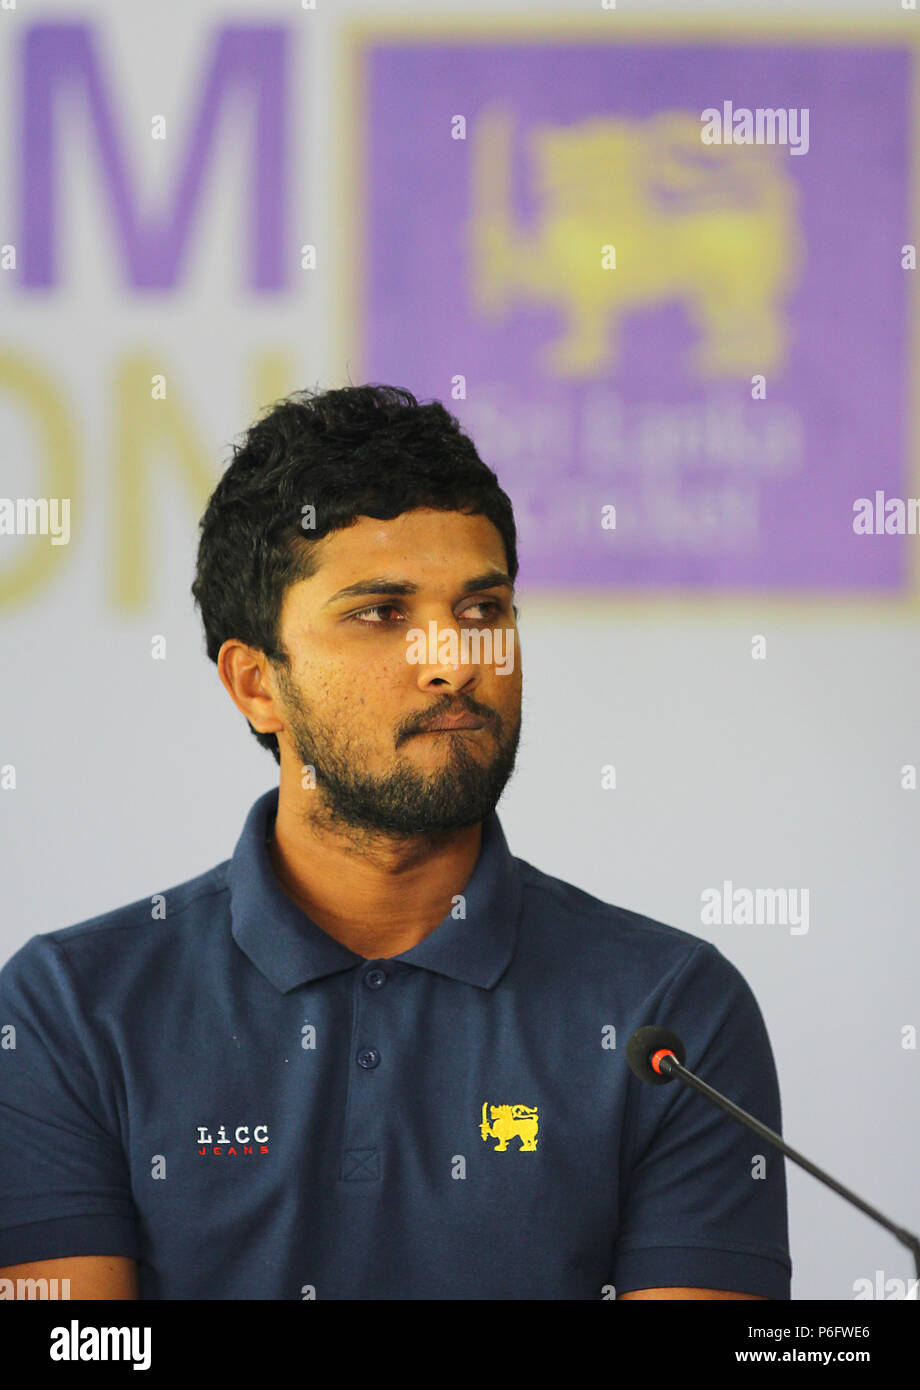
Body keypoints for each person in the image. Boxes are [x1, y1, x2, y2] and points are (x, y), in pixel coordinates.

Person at [0, 384, 790, 1299]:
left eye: (484, 610)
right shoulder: (67, 1012)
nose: (454, 660)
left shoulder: (671, 1014)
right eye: (382, 613)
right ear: (256, 684)